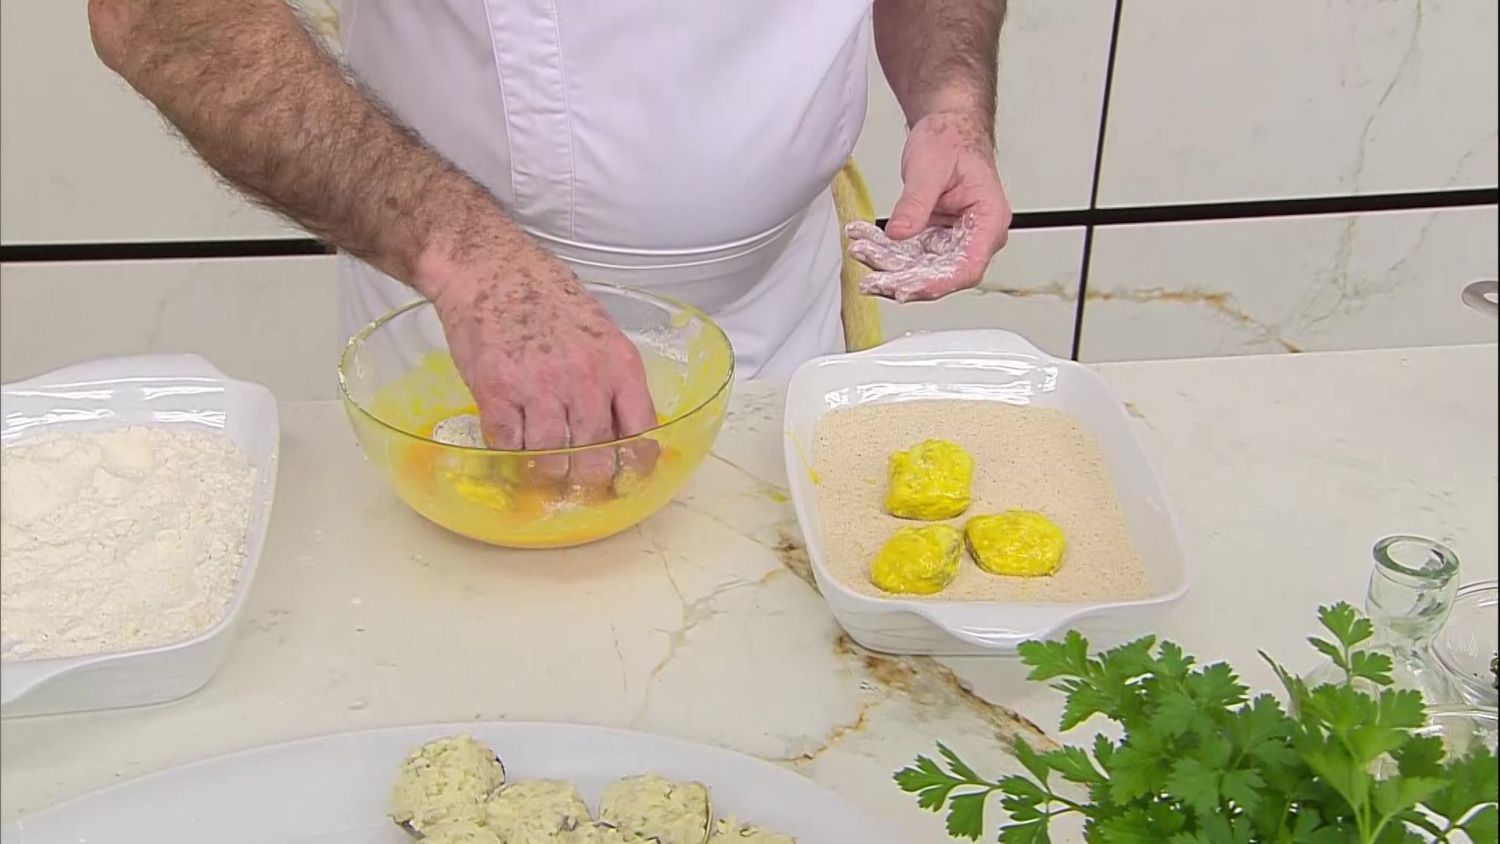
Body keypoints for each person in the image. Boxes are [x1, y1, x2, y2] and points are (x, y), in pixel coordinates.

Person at [87, 0, 1012, 482]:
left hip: (786, 310)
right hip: (467, 339)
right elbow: (164, 17)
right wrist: (473, 264)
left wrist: (952, 99)